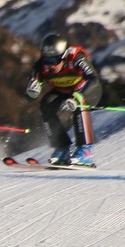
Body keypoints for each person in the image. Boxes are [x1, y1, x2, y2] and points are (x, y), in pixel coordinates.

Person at [24, 34, 103, 167]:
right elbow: (30, 95)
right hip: (62, 91)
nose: (52, 65)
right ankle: (61, 147)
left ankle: (85, 151)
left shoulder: (76, 58)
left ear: (65, 56)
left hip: (86, 90)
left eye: (55, 60)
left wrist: (77, 97)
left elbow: (93, 78)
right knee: (46, 104)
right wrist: (31, 93)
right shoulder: (41, 65)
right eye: (48, 60)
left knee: (79, 103)